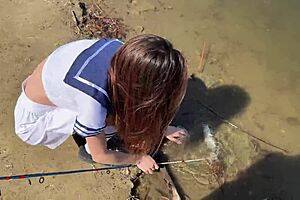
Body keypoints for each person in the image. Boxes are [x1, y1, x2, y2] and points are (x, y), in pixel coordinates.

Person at [14, 34, 188, 174]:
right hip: (33, 123)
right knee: (112, 121)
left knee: (119, 110)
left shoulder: (122, 50)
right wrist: (138, 159)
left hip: (54, 86)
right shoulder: (94, 103)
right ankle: (88, 146)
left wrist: (162, 129)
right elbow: (100, 155)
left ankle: (93, 130)